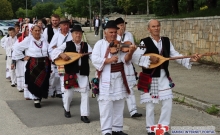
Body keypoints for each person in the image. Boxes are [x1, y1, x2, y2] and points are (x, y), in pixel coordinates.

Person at [131, 19, 201, 135]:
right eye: (153, 26)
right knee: (151, 104)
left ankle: (162, 128)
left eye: (158, 26)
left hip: (164, 76)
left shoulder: (166, 41)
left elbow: (175, 55)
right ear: (149, 29)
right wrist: (149, 59)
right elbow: (135, 58)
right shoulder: (144, 43)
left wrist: (190, 59)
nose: (156, 28)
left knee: (168, 102)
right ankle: (150, 129)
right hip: (151, 78)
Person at [91, 20, 137, 135]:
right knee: (106, 105)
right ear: (105, 33)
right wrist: (108, 60)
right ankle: (106, 130)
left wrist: (131, 52)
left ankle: (117, 129)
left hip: (119, 78)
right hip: (106, 78)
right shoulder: (99, 44)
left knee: (119, 104)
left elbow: (126, 60)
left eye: (115, 32)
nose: (113, 34)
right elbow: (94, 59)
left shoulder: (120, 44)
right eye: (111, 32)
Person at [51, 25, 92, 123]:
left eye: (79, 33)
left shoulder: (86, 45)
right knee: (68, 94)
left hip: (83, 72)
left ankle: (84, 114)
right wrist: (61, 54)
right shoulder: (67, 44)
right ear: (72, 35)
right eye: (76, 33)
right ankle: (67, 108)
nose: (78, 35)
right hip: (70, 72)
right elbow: (54, 52)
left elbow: (93, 56)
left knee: (85, 93)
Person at [12, 25, 51, 108]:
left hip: (44, 63)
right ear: (31, 31)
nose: (37, 32)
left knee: (43, 81)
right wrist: (23, 57)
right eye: (35, 30)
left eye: (38, 30)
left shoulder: (44, 40)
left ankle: (39, 95)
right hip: (33, 63)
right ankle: (36, 98)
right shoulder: (28, 40)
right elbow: (16, 48)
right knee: (34, 81)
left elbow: (49, 49)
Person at [115, 17, 142, 118]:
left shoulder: (129, 34)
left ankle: (133, 111)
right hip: (117, 65)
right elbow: (114, 48)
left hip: (127, 64)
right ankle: (117, 112)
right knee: (118, 88)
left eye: (124, 25)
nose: (123, 27)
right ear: (116, 27)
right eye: (121, 25)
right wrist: (120, 40)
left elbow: (131, 46)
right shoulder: (114, 36)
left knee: (130, 87)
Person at [48, 18, 72, 98]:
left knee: (67, 78)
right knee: (56, 77)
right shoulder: (57, 35)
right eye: (64, 25)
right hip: (59, 59)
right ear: (60, 26)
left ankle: (65, 95)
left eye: (67, 25)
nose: (66, 27)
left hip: (70, 59)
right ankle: (54, 91)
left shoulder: (71, 34)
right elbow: (50, 48)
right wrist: (58, 53)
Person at [12, 24, 33, 99]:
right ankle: (27, 93)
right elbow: (15, 48)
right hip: (24, 60)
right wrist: (23, 57)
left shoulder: (36, 38)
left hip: (34, 60)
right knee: (26, 76)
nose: (28, 31)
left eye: (29, 30)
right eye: (27, 30)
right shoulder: (22, 39)